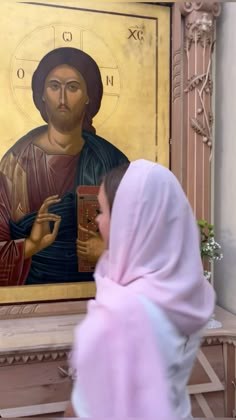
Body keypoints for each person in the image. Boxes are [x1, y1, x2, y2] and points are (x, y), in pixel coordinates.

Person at [68, 160, 215, 418]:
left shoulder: (121, 313)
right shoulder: (191, 288)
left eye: (102, 211)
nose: (97, 222)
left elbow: (82, 411)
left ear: (129, 221)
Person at [0, 47, 129, 286]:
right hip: (31, 292)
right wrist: (31, 246)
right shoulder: (15, 162)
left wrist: (108, 250)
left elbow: (141, 233)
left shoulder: (111, 160)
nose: (62, 98)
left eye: (72, 87)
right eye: (54, 86)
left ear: (89, 96)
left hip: (97, 291)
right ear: (41, 95)